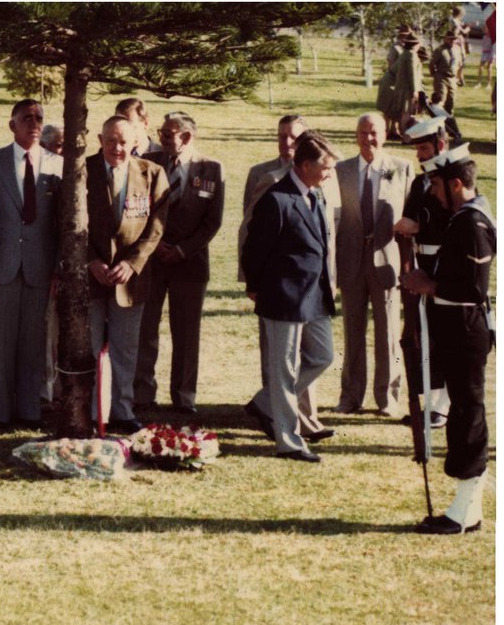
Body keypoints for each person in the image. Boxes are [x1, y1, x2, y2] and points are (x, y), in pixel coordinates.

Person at [401, 144, 495, 534]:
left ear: (457, 184)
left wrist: (428, 284)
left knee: (467, 416)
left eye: (438, 186)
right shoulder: (460, 219)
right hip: (455, 328)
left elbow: (473, 290)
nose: (434, 194)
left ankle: (465, 510)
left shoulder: (472, 224)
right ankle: (466, 508)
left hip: (466, 329)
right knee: (461, 414)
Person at [241, 132, 339, 463]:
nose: (330, 172)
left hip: (314, 297)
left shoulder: (317, 195)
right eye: (326, 167)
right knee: (283, 370)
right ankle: (289, 441)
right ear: (306, 165)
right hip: (282, 298)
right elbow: (254, 249)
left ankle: (266, 402)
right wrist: (255, 286)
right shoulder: (277, 199)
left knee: (323, 357)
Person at [0, 100, 62, 429]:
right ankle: (1, 410)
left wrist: (57, 268)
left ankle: (29, 410)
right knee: (3, 338)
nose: (34, 124)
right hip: (0, 264)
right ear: (12, 125)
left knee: (34, 341)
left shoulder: (57, 164)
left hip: (41, 266)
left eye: (39, 118)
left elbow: (62, 224)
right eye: (27, 119)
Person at [134, 112, 223, 415]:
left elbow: (213, 221)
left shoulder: (211, 168)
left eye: (169, 133)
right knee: (145, 329)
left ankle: (184, 397)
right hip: (150, 261)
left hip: (190, 264)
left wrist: (182, 251)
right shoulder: (146, 161)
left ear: (186, 137)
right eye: (161, 132)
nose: (162, 137)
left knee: (186, 333)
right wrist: (156, 246)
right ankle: (142, 394)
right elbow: (137, 209)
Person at [87, 115, 168, 434]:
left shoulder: (152, 173)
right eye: (110, 141)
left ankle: (121, 409)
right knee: (91, 349)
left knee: (125, 348)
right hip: (92, 276)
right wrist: (90, 261)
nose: (117, 148)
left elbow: (157, 228)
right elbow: (66, 221)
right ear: (100, 139)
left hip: (130, 279)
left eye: (123, 141)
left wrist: (132, 264)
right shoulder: (82, 171)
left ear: (136, 141)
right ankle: (95, 412)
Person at [333, 112, 413, 418]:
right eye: (364, 133)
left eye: (375, 133)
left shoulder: (401, 169)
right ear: (356, 136)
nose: (370, 139)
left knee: (388, 333)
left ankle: (388, 398)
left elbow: (408, 218)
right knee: (352, 333)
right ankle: (350, 397)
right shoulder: (341, 170)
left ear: (385, 135)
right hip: (351, 262)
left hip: (386, 264)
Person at [394, 116, 453, 428]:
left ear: (441, 146)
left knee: (446, 337)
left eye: (425, 148)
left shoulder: (456, 179)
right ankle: (432, 404)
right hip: (420, 265)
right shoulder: (420, 182)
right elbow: (408, 220)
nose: (419, 155)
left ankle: (443, 406)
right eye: (418, 149)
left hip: (446, 265)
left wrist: (420, 226)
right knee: (424, 336)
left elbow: (459, 226)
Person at [39, 123, 64, 405]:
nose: (63, 152)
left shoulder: (68, 170)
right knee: (45, 332)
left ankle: (59, 388)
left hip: (67, 266)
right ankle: (43, 391)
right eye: (58, 145)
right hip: (41, 266)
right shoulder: (44, 170)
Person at [377, 26, 411, 139]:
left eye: (408, 35)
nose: (406, 37)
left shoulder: (406, 49)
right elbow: (390, 63)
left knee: (396, 107)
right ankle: (386, 130)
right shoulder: (396, 47)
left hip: (400, 82)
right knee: (388, 107)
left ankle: (394, 129)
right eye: (404, 35)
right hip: (391, 79)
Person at [392, 33, 424, 135]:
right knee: (406, 113)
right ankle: (406, 135)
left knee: (403, 113)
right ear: (415, 44)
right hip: (407, 89)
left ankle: (404, 133)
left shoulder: (404, 53)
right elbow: (412, 73)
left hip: (401, 87)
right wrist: (415, 90)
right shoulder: (411, 55)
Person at [431, 30, 459, 115]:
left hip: (452, 79)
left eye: (454, 39)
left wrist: (457, 77)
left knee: (451, 101)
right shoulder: (440, 50)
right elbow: (432, 64)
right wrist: (435, 76)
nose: (452, 41)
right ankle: (437, 121)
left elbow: (458, 64)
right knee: (441, 100)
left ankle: (448, 121)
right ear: (445, 39)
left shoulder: (457, 49)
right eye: (450, 39)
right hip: (441, 77)